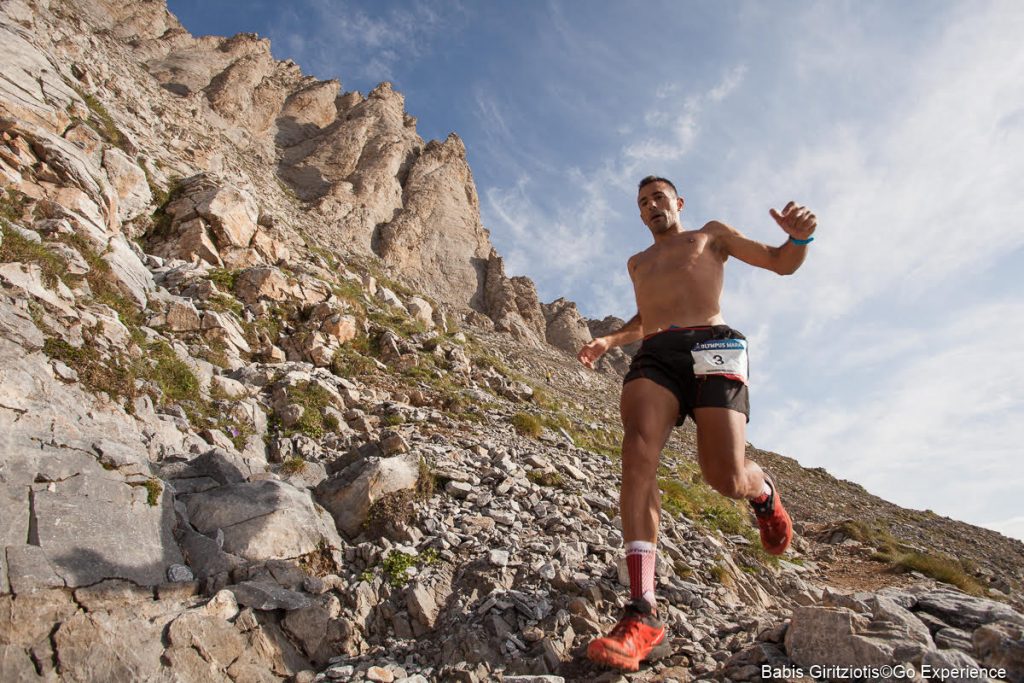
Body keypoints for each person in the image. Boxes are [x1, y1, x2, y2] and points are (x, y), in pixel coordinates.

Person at [577, 175, 817, 672]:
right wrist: (609, 342)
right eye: (643, 202)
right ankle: (642, 612)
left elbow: (779, 262)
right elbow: (647, 318)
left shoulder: (710, 235)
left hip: (714, 344)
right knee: (637, 449)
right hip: (658, 353)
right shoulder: (637, 263)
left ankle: (762, 492)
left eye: (658, 197)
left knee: (724, 476)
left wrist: (798, 238)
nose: (651, 206)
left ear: (678, 203)